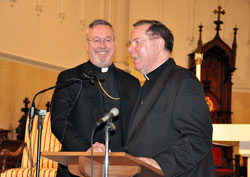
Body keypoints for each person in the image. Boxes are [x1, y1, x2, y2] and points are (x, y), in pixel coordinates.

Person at [125, 20, 216, 177]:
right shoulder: (145, 85)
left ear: (159, 44)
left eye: (137, 42)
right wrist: (108, 152)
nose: (129, 49)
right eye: (130, 43)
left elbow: (199, 137)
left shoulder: (183, 81)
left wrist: (161, 163)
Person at [51, 19, 140, 177]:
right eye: (96, 40)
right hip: (77, 168)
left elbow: (138, 127)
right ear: (87, 44)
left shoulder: (132, 83)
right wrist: (86, 149)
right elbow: (59, 122)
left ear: (115, 43)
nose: (102, 46)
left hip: (121, 169)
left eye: (108, 40)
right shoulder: (70, 78)